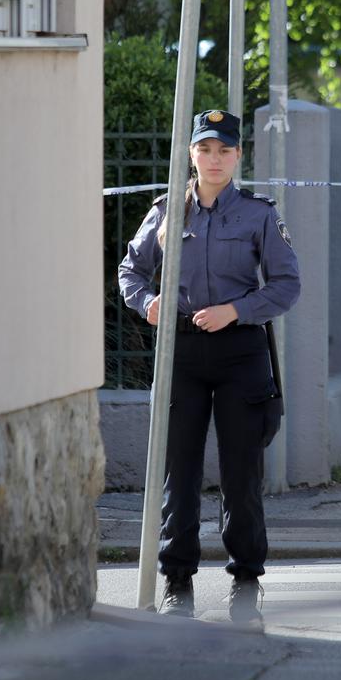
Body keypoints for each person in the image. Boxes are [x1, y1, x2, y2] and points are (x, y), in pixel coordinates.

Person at [118, 109, 300, 624]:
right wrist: (147, 302)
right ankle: (178, 582)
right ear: (191, 155)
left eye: (224, 150)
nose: (214, 159)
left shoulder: (260, 215)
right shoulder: (167, 212)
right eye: (205, 150)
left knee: (242, 474)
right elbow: (131, 269)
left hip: (241, 352)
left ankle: (245, 582)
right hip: (182, 352)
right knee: (179, 470)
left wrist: (237, 310)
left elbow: (287, 285)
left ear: (238, 155)